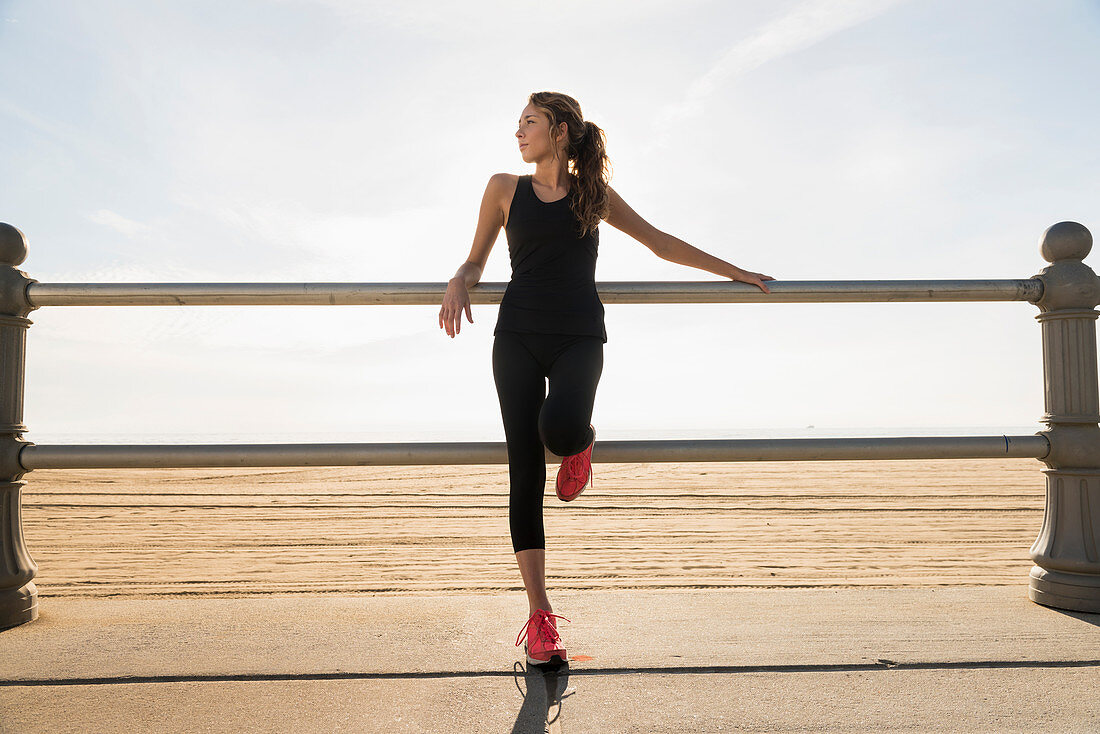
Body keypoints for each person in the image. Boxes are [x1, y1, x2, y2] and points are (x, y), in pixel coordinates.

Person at [438, 91, 774, 667]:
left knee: (562, 429)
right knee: (524, 464)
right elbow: (477, 261)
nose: (518, 133)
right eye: (518, 124)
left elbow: (659, 242)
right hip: (516, 337)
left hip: (578, 337)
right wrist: (459, 277)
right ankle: (540, 616)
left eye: (530, 123)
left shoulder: (592, 196)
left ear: (561, 130)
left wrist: (735, 271)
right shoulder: (503, 188)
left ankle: (580, 445)